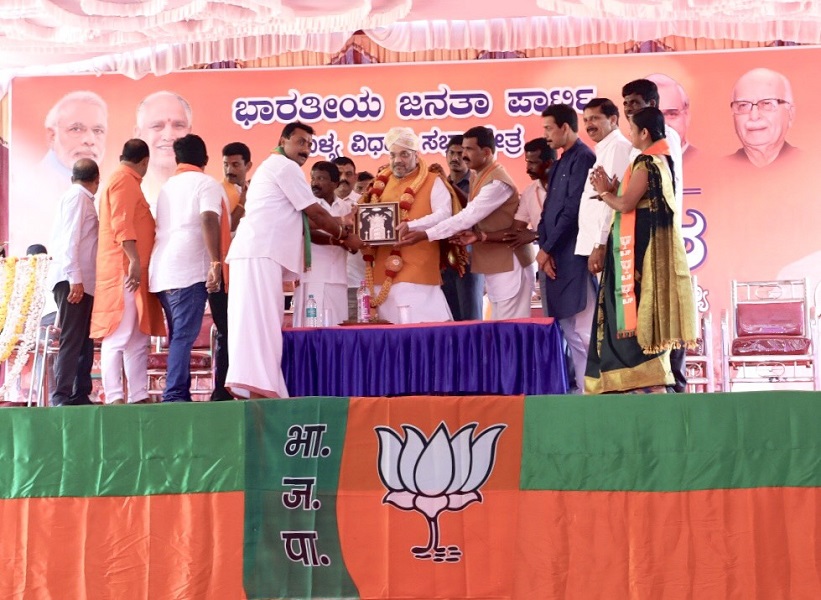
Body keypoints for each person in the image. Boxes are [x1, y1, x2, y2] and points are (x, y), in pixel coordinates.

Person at [225, 122, 350, 398]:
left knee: (258, 322)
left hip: (257, 253)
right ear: (283, 141)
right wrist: (343, 234)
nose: (305, 149)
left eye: (309, 144)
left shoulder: (276, 167)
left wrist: (339, 229)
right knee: (261, 323)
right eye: (300, 142)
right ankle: (260, 389)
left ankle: (255, 388)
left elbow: (308, 219)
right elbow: (315, 213)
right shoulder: (284, 166)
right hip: (259, 252)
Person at [588, 107, 697, 393]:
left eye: (632, 129)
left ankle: (638, 379)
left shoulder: (648, 162)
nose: (629, 134)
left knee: (631, 308)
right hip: (642, 244)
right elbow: (633, 200)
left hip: (637, 249)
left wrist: (604, 192)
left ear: (644, 133)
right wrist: (614, 189)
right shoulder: (659, 159)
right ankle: (640, 380)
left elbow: (625, 205)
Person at [398, 126, 535, 320]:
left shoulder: (497, 183)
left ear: (486, 152)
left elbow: (466, 217)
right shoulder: (480, 175)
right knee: (500, 329)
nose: (463, 155)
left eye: (468, 150)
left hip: (510, 263)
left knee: (511, 330)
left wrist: (423, 233)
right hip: (496, 264)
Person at [352, 126, 458, 324]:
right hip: (382, 269)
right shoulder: (379, 184)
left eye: (404, 154)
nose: (397, 160)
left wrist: (413, 225)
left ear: (416, 155)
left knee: (422, 331)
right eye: (393, 155)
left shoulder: (433, 181)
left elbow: (444, 215)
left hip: (418, 268)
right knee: (389, 333)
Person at [148, 134, 225, 402]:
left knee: (178, 334)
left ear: (177, 159)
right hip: (188, 268)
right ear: (205, 159)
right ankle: (174, 394)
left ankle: (176, 392)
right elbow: (208, 218)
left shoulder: (168, 186)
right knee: (182, 335)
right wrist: (216, 262)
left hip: (162, 269)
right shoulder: (207, 183)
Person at [622, 79, 687, 391]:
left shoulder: (662, 143)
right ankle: (652, 381)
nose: (628, 110)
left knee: (663, 307)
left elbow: (667, 190)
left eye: (635, 103)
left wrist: (609, 195)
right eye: (625, 104)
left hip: (660, 232)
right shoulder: (638, 148)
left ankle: (672, 384)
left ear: (652, 104)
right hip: (643, 235)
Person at [91, 139, 166, 405]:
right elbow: (121, 222)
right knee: (118, 335)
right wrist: (133, 259)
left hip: (133, 270)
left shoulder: (127, 180)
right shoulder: (123, 180)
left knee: (136, 336)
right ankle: (113, 397)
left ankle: (138, 395)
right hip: (124, 269)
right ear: (144, 162)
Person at [538, 103, 597, 393]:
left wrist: (547, 249)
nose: (546, 135)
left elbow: (573, 209)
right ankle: (583, 390)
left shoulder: (584, 158)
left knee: (585, 330)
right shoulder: (561, 162)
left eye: (549, 128)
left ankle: (595, 393)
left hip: (574, 256)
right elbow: (548, 211)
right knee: (569, 332)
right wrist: (544, 247)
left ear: (564, 127)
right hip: (555, 256)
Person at [46, 159, 100, 406]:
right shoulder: (78, 198)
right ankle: (62, 394)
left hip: (81, 280)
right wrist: (75, 279)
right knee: (72, 336)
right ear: (96, 180)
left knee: (83, 338)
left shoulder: (79, 197)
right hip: (73, 279)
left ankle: (80, 392)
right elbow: (69, 241)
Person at [203, 142, 254, 401]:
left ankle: (245, 386)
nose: (229, 169)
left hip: (246, 273)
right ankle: (222, 390)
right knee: (225, 331)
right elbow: (226, 225)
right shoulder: (218, 191)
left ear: (248, 166)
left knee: (245, 331)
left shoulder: (259, 190)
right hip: (222, 272)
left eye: (235, 164)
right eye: (226, 164)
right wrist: (244, 202)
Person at [35, 91, 107, 249]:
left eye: (98, 131)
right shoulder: (31, 187)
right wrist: (75, 275)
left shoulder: (101, 188)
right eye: (76, 129)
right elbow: (69, 248)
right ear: (52, 136)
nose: (89, 140)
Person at [293, 161, 356, 326]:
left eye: (321, 178)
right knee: (313, 329)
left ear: (334, 183)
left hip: (339, 278)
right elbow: (307, 231)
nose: (315, 183)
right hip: (314, 276)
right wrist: (341, 240)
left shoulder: (345, 208)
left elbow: (352, 238)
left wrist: (354, 243)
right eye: (313, 178)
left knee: (337, 329)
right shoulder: (306, 206)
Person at [576, 98, 633, 277]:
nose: (589, 125)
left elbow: (610, 200)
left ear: (613, 120)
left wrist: (600, 244)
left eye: (594, 118)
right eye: (585, 120)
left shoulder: (617, 147)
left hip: (608, 244)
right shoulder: (605, 148)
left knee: (614, 302)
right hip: (600, 243)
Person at [432, 135, 484, 321]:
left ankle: (474, 351)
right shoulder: (438, 184)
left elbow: (472, 209)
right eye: (451, 153)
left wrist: (450, 186)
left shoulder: (477, 182)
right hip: (444, 261)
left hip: (468, 259)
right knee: (448, 317)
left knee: (470, 318)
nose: (455, 158)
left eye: (460, 153)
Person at [509, 138, 554, 315]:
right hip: (544, 259)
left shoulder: (566, 187)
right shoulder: (529, 191)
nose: (528, 169)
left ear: (549, 163)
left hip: (568, 258)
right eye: (527, 162)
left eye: (533, 163)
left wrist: (535, 235)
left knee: (579, 322)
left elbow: (572, 224)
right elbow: (517, 228)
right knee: (551, 316)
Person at [133, 91, 193, 213]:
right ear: (138, 134)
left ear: (190, 132)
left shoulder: (201, 188)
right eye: (157, 126)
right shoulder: (128, 189)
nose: (168, 136)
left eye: (178, 125)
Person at [729, 68, 797, 168]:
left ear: (790, 114)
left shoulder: (812, 166)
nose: (754, 116)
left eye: (767, 104)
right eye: (743, 105)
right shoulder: (715, 172)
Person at [332, 157, 365, 321]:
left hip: (357, 284)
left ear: (356, 177)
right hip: (328, 281)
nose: (343, 178)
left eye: (348, 174)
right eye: (339, 173)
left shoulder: (364, 203)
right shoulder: (319, 205)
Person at [646, 73, 696, 158]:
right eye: (653, 116)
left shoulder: (707, 163)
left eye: (672, 114)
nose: (664, 125)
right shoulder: (630, 162)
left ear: (687, 115)